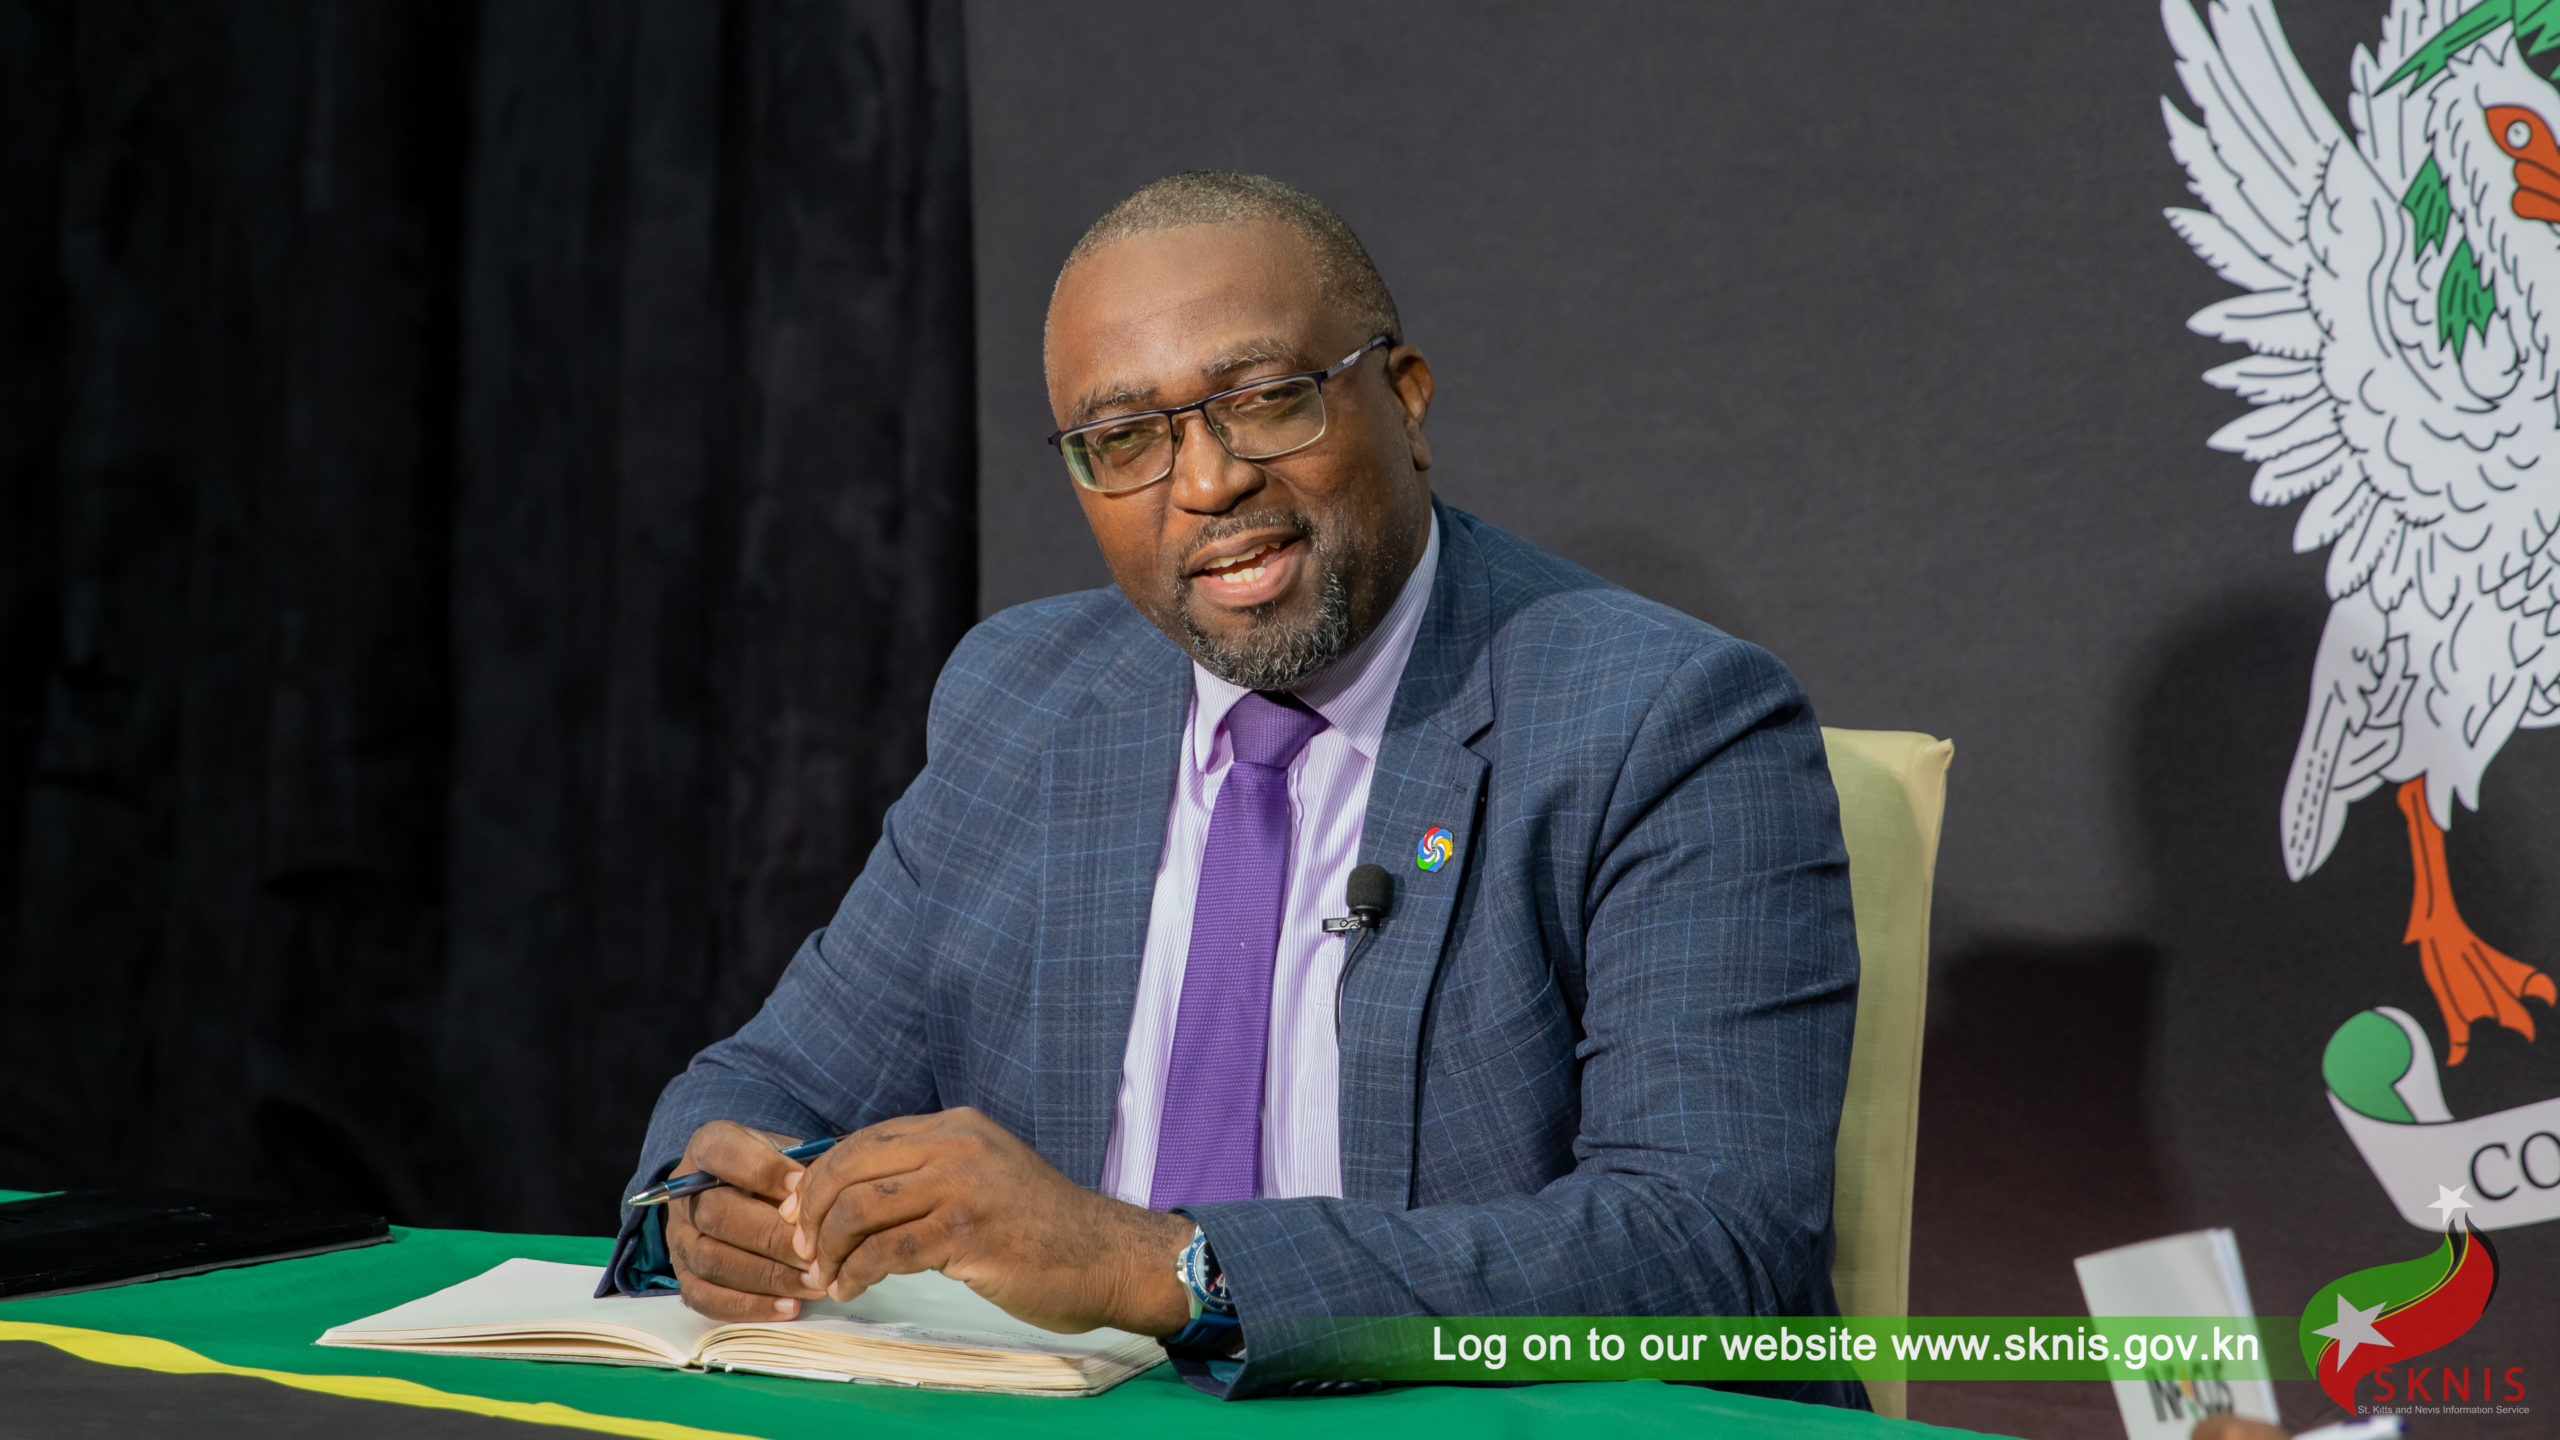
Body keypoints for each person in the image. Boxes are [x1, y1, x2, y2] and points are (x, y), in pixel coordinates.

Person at [608, 170, 1864, 1404]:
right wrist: (714, 1206)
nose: (1206, 484)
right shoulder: (1025, 700)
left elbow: (1712, 1251)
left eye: (1263, 403)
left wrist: (1156, 1268)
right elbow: (772, 1084)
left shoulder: (1666, 719)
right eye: (1123, 440)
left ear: (1405, 401)